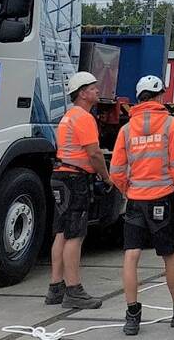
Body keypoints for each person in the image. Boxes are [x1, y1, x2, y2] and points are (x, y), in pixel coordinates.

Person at [110, 75, 174, 335]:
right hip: (162, 200)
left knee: (131, 256)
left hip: (136, 200)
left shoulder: (126, 130)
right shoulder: (170, 125)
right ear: (160, 96)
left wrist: (130, 189)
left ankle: (132, 316)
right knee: (169, 255)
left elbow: (116, 170)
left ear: (139, 98)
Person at [46, 70, 112, 309]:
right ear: (83, 94)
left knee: (62, 232)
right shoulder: (84, 118)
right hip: (75, 178)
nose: (97, 91)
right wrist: (107, 178)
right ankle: (74, 291)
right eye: (93, 88)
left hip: (61, 176)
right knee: (76, 234)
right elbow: (94, 153)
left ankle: (56, 288)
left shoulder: (67, 117)